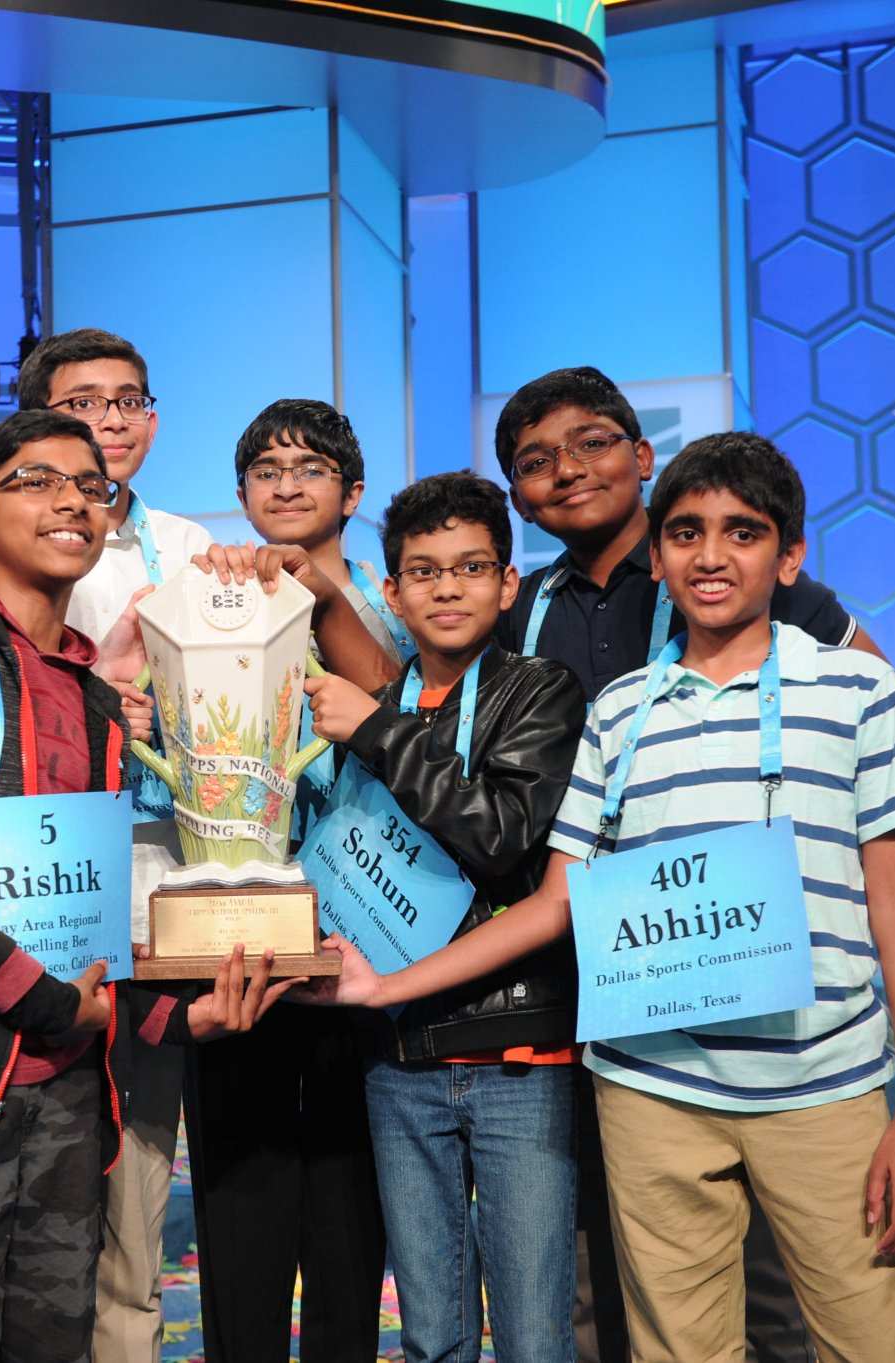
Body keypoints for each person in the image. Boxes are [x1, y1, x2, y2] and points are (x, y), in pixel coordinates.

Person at [324, 433, 895, 1363]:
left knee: (875, 1341)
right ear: (655, 556)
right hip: (650, 1089)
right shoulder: (616, 710)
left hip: (822, 1085)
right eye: (687, 533)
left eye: (744, 533)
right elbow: (552, 904)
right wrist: (384, 989)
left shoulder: (858, 689)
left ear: (791, 556)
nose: (710, 555)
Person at [0, 409, 294, 1363]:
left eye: (92, 486)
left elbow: (91, 904)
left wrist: (171, 1021)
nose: (74, 499)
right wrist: (45, 1003)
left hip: (71, 1096)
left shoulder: (92, 694)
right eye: (38, 481)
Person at [499, 365, 890, 1363]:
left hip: (757, 977)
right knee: (636, 1251)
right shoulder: (522, 609)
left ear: (641, 457)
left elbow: (880, 719)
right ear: (517, 496)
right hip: (599, 963)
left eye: (589, 443)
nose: (565, 471)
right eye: (534, 462)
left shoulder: (721, 563)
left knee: (789, 1276)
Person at [0, 328, 214, 1363]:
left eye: (128, 402)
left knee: (132, 1209)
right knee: (16, 1214)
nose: (109, 425)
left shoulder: (195, 544)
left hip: (157, 908)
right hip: (29, 910)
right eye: (82, 405)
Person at [295, 471, 586, 1363]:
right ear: (391, 591)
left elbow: (501, 837)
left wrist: (376, 735)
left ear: (507, 583)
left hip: (517, 1058)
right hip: (397, 1053)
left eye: (470, 568)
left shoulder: (540, 691)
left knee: (534, 1336)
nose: (447, 587)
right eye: (423, 571)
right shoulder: (373, 706)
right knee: (431, 1334)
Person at [178, 399, 410, 1363]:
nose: (285, 482)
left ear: (352, 493)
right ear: (240, 495)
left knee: (352, 1227)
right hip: (231, 945)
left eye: (310, 467)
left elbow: (402, 704)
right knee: (240, 1221)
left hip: (365, 945)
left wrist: (315, 591)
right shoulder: (199, 591)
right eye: (266, 469)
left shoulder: (399, 602)